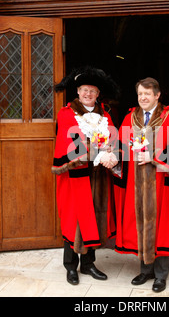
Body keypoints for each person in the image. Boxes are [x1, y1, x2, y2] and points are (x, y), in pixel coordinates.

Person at [113, 77, 169, 292]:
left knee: (163, 226)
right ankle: (145, 270)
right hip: (136, 182)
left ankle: (160, 275)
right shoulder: (130, 117)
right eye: (140, 94)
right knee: (141, 222)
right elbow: (120, 147)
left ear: (157, 95)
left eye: (147, 94)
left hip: (161, 183)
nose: (143, 98)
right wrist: (110, 156)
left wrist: (154, 158)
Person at [52, 66, 119, 285]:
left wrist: (112, 154)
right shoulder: (66, 113)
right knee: (74, 218)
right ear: (78, 91)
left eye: (92, 90)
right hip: (76, 173)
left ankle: (88, 263)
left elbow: (113, 140)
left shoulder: (105, 114)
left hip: (98, 175)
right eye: (84, 90)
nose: (88, 94)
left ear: (98, 94)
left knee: (94, 216)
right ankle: (70, 266)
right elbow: (68, 142)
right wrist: (96, 152)